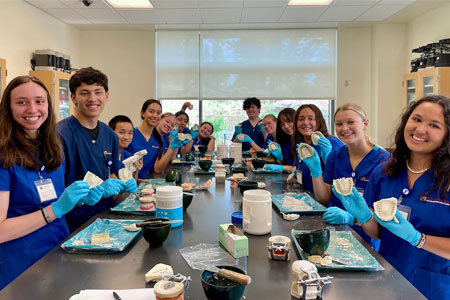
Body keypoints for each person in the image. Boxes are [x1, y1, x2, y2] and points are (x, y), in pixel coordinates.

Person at [334, 95, 450, 300]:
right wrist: (365, 217)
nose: (420, 129)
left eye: (434, 125)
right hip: (387, 279)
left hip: (434, 287)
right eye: (416, 119)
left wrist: (419, 239)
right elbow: (379, 233)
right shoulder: (384, 173)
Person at [0, 76, 103, 289]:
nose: (32, 109)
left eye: (39, 101)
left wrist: (78, 199)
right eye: (21, 102)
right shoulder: (4, 156)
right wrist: (55, 210)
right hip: (22, 264)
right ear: (8, 108)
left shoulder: (52, 149)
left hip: (58, 250)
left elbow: (51, 200)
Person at [57, 67, 137, 232]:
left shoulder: (109, 135)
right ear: (73, 97)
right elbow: (54, 189)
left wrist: (126, 180)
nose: (92, 98)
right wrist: (81, 197)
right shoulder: (59, 135)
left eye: (98, 92)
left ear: (106, 96)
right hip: (71, 224)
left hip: (105, 218)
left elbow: (115, 168)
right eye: (84, 93)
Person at [309, 103, 390, 249]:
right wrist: (315, 171)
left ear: (365, 124)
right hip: (336, 231)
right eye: (339, 124)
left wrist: (352, 218)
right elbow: (324, 197)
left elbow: (386, 211)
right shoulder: (336, 155)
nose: (344, 128)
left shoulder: (384, 161)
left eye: (351, 122)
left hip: (368, 239)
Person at [128, 100, 190, 177]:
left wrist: (171, 148)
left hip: (146, 182)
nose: (155, 115)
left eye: (158, 113)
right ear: (143, 113)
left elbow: (157, 169)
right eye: (151, 111)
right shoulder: (131, 134)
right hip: (128, 181)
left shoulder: (159, 139)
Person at [292, 104, 343, 191]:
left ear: (319, 121)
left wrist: (328, 160)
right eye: (301, 119)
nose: (305, 122)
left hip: (328, 200)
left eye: (311, 119)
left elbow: (342, 178)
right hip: (309, 196)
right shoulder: (302, 145)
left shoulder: (332, 143)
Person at [108, 115, 143, 179]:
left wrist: (135, 171)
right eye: (122, 132)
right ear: (110, 133)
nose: (126, 137)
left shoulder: (127, 155)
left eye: (130, 133)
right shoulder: (106, 156)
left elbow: (131, 185)